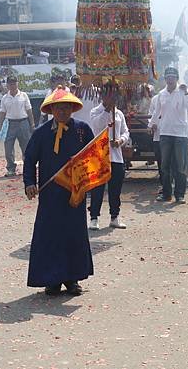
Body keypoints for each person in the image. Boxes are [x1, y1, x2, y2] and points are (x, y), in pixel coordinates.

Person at [23, 87, 95, 296]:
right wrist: (29, 183)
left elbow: (92, 156)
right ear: (52, 110)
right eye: (58, 109)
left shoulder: (82, 130)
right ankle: (51, 279)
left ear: (72, 109)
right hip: (50, 195)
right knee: (50, 235)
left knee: (73, 234)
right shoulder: (41, 133)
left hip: (74, 194)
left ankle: (72, 280)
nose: (62, 112)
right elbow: (29, 159)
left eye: (66, 108)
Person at [148, 67, 188, 204]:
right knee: (164, 166)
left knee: (180, 166)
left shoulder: (183, 92)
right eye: (168, 77)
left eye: (173, 77)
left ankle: (179, 194)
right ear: (165, 79)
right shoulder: (161, 94)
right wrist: (150, 125)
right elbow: (157, 112)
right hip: (165, 133)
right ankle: (166, 194)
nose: (170, 80)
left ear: (176, 78)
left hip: (180, 134)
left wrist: (186, 92)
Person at [89, 85, 130, 230]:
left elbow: (125, 132)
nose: (111, 98)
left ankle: (115, 216)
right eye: (108, 95)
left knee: (115, 189)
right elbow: (97, 125)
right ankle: (94, 217)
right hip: (100, 156)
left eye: (113, 95)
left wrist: (120, 141)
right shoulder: (96, 111)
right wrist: (107, 110)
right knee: (97, 188)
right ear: (102, 96)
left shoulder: (119, 114)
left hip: (116, 156)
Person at [0, 76, 35, 177]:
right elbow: (2, 112)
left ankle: (28, 167)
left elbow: (29, 110)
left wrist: (32, 123)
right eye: (10, 84)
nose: (12, 85)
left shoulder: (23, 95)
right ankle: (11, 168)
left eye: (14, 83)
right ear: (7, 85)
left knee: (26, 147)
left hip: (23, 122)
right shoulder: (5, 98)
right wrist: (1, 125)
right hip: (10, 123)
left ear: (17, 84)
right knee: (8, 148)